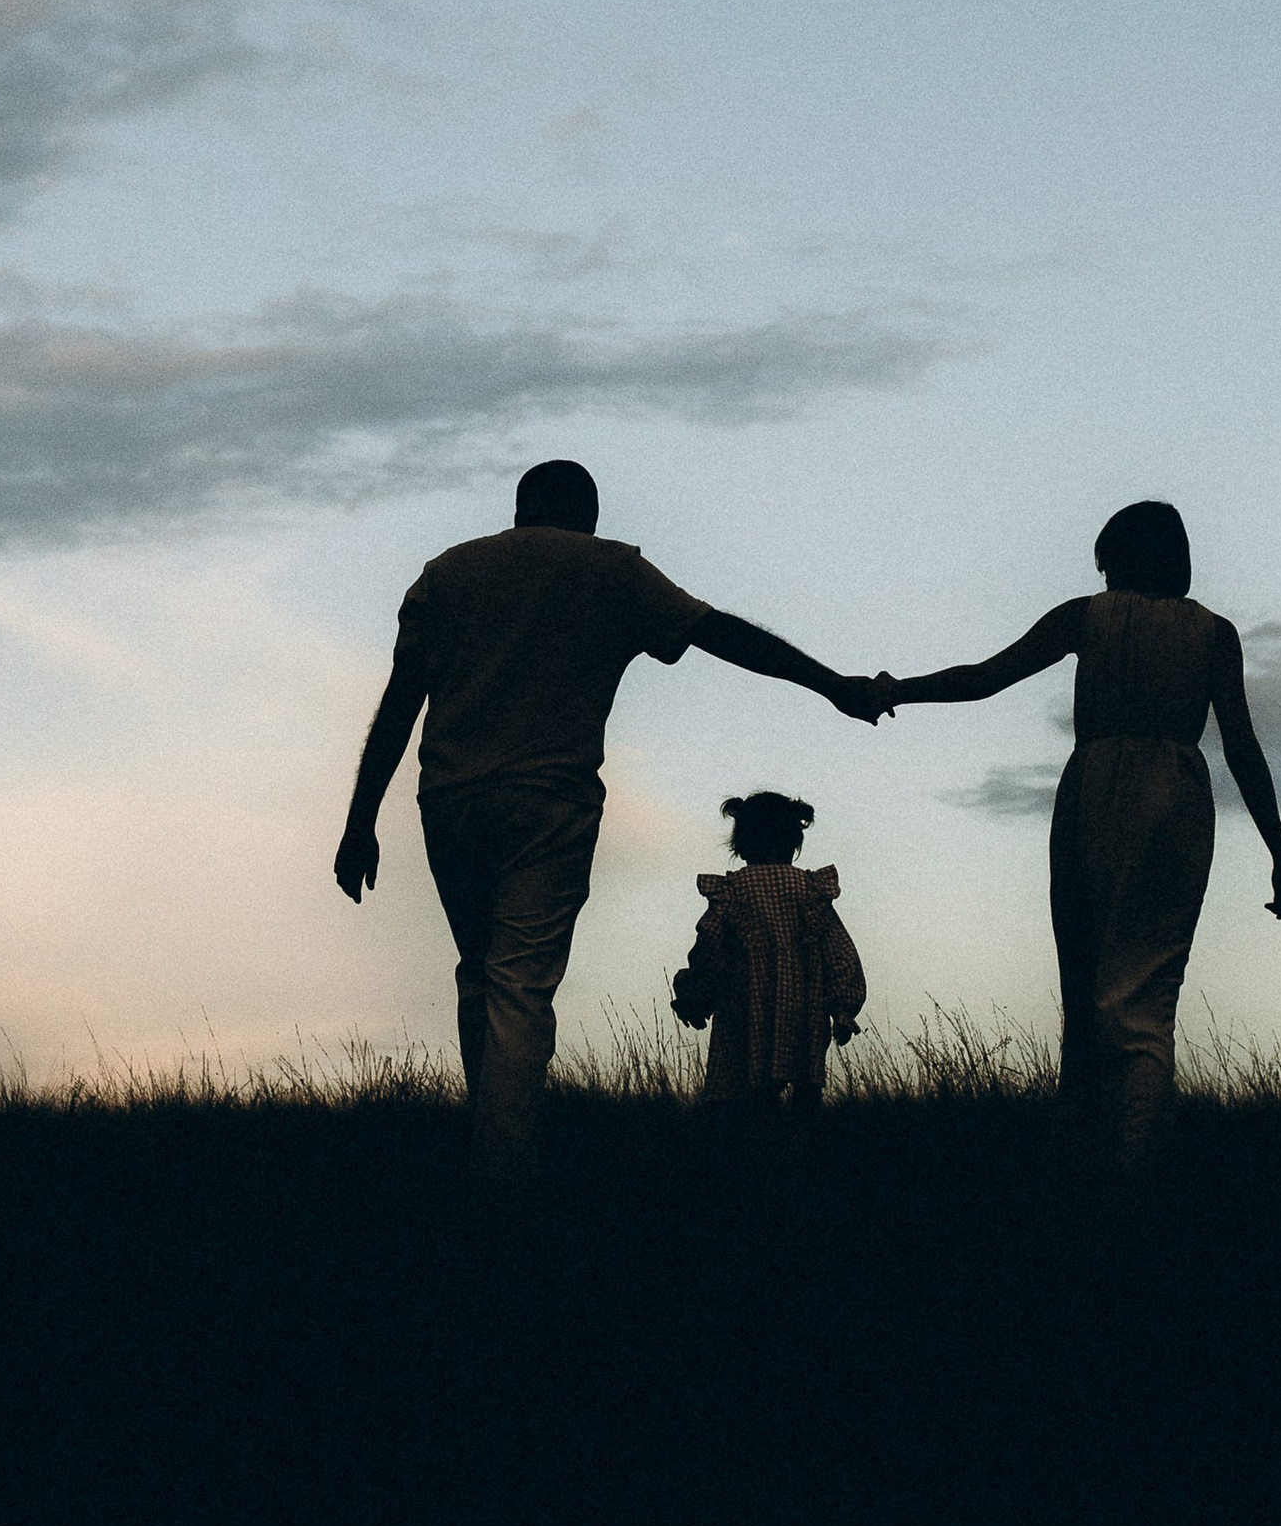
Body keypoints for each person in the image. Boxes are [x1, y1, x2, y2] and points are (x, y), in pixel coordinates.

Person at [334, 460, 886, 1184]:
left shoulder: (447, 573)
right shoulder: (610, 568)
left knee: (483, 976)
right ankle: (504, 1178)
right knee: (520, 983)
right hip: (549, 805)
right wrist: (831, 686)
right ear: (587, 514)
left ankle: (489, 1147)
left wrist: (359, 821)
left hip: (450, 804)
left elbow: (402, 700)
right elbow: (722, 634)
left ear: (522, 509)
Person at [876, 500, 1281, 1177]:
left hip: (1096, 785)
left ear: (1117, 558)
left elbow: (987, 678)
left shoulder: (1088, 617)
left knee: (1092, 988)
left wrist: (896, 689)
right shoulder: (1213, 633)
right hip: (1178, 795)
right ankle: (1107, 1164)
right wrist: (1279, 854)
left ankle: (1115, 1176)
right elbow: (1241, 746)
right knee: (1144, 993)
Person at [670, 792, 866, 1128]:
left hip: (745, 1011)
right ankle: (802, 1165)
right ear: (793, 842)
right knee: (807, 1098)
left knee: (741, 1106)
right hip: (805, 1010)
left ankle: (750, 1168)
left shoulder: (733, 892)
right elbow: (840, 955)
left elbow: (710, 951)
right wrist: (843, 1008)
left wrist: (695, 995)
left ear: (741, 844)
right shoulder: (811, 890)